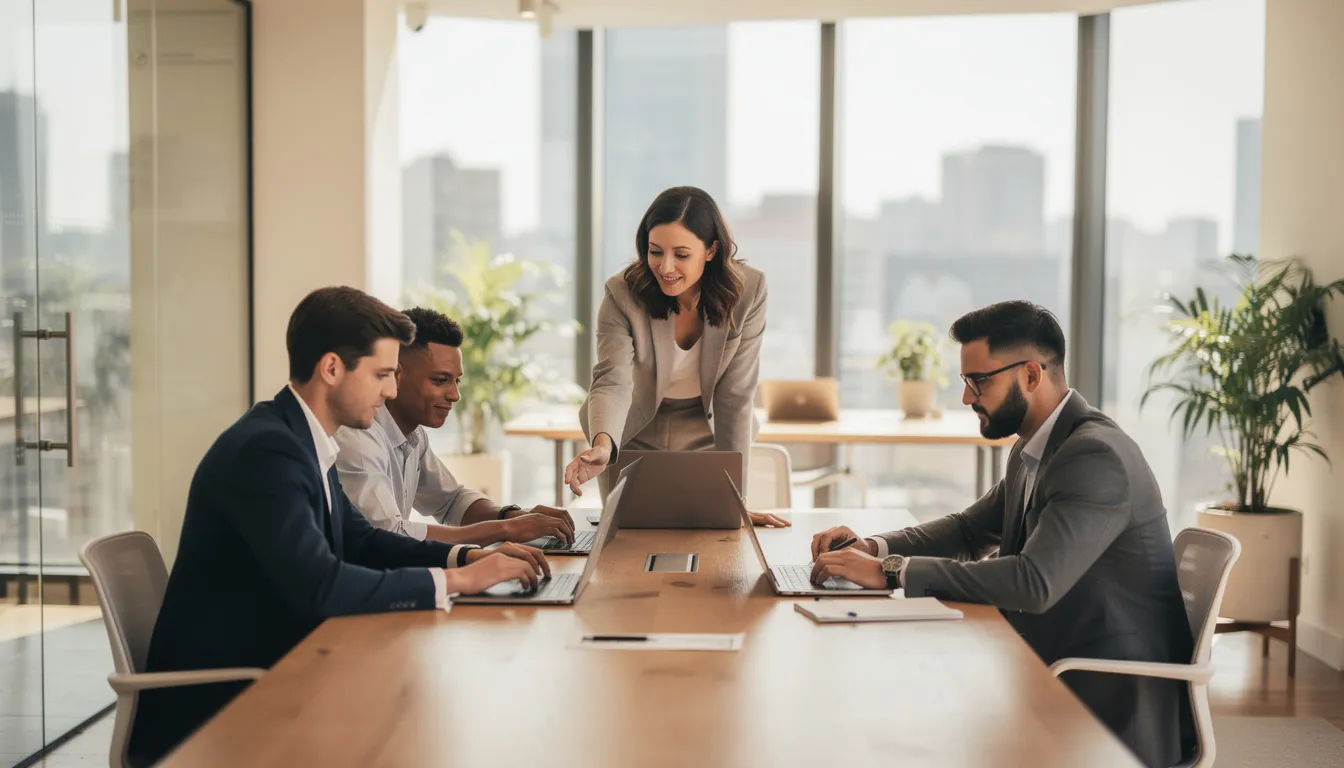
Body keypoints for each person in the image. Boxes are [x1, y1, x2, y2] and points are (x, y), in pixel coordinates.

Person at [128, 287, 544, 767]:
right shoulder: (267, 452)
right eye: (382, 375)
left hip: (280, 670)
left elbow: (363, 540)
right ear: (331, 369)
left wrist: (468, 557)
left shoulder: (303, 439)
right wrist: (457, 580)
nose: (390, 391)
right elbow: (320, 585)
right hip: (223, 708)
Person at [808, 301, 1193, 768]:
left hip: (1107, 704)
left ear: (1031, 374)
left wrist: (891, 572)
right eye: (966, 382)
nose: (967, 398)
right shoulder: (1037, 446)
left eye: (979, 381)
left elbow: (1034, 582)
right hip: (1048, 662)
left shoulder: (1094, 456)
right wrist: (872, 547)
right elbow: (971, 529)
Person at [562, 185, 787, 527]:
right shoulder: (622, 293)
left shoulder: (748, 291)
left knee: (717, 532)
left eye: (681, 254)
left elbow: (736, 396)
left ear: (711, 250)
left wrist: (736, 501)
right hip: (634, 426)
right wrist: (604, 444)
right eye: (655, 251)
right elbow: (612, 379)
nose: (665, 267)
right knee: (626, 533)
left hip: (707, 429)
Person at [336, 306, 577, 549]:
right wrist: (506, 530)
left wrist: (512, 515)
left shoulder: (414, 436)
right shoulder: (357, 440)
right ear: (395, 375)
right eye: (440, 380)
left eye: (456, 380)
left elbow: (450, 501)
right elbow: (390, 534)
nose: (454, 395)